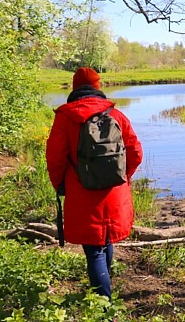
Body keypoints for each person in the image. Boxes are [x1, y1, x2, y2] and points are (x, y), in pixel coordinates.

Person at [46, 67, 143, 300]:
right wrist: (123, 177)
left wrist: (61, 186)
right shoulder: (116, 116)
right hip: (114, 191)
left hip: (81, 193)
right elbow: (136, 152)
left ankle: (102, 308)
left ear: (74, 87)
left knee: (94, 250)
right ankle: (104, 298)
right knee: (105, 239)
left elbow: (55, 158)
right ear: (98, 87)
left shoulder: (65, 118)